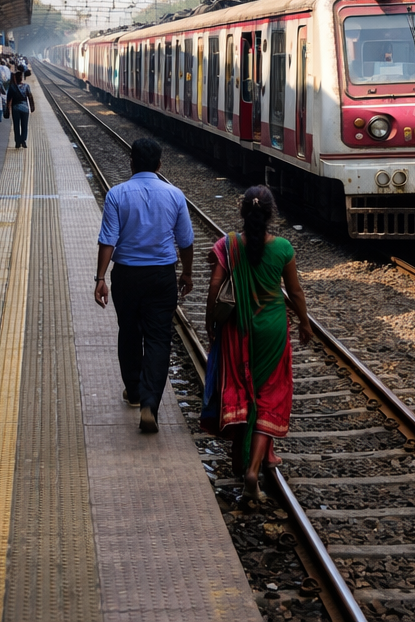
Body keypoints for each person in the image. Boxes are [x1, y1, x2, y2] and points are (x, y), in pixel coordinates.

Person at [201, 186, 312, 501]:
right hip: (273, 329)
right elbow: (296, 292)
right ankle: (254, 468)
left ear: (242, 213)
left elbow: (214, 286)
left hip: (239, 330)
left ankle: (241, 460)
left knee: (240, 390)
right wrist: (304, 323)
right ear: (270, 213)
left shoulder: (228, 245)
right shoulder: (283, 248)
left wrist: (211, 323)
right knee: (270, 396)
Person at [92, 138, 194, 433]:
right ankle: (150, 402)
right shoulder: (175, 195)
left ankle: (134, 391)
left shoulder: (117, 195)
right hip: (162, 276)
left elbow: (107, 240)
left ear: (131, 163)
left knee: (129, 331)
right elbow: (186, 242)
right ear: (160, 165)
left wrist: (100, 278)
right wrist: (186, 273)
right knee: (159, 338)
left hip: (126, 276)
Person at [7, 69, 34, 148]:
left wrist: (7, 109)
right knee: (24, 125)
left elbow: (8, 100)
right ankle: (23, 140)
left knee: (16, 125)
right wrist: (32, 107)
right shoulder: (26, 86)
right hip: (25, 108)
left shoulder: (12, 87)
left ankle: (17, 142)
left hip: (15, 109)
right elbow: (30, 97)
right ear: (21, 78)